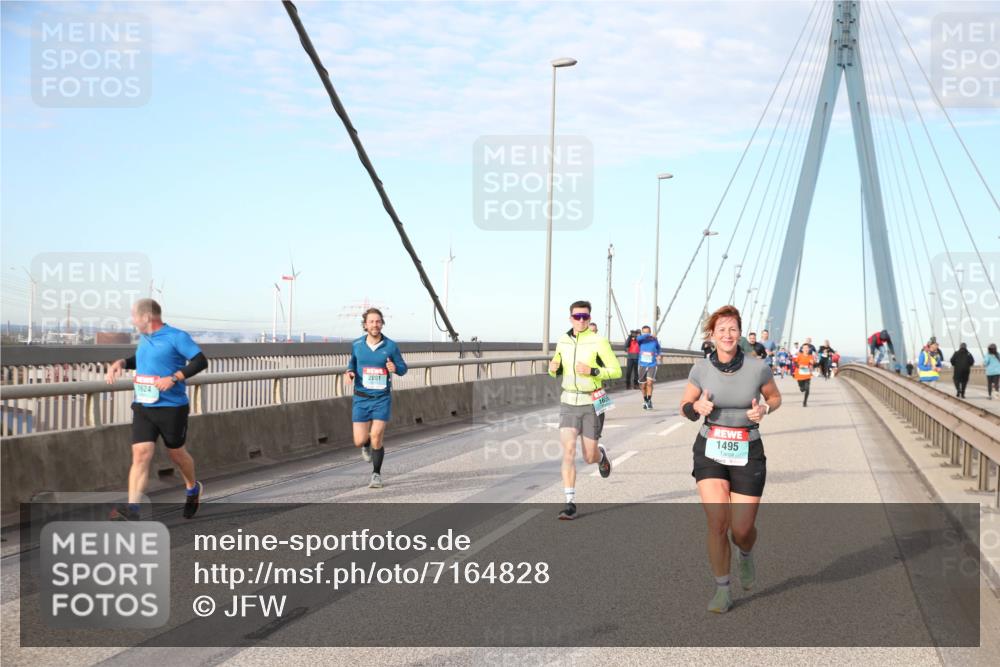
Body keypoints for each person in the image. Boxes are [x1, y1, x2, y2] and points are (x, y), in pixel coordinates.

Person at [679, 305, 781, 613]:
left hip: (748, 450)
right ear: (711, 334)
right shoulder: (700, 369)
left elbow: (775, 397)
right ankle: (722, 590)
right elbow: (684, 405)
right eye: (721, 329)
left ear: (739, 333)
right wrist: (697, 408)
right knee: (717, 523)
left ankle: (746, 555)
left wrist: (764, 409)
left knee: (741, 530)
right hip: (710, 449)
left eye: (732, 329)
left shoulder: (757, 367)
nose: (727, 334)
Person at [104, 299, 209, 520]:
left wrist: (174, 377)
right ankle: (132, 509)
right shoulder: (145, 338)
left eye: (134, 316)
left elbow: (200, 361)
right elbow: (142, 360)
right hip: (143, 405)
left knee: (177, 454)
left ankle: (192, 488)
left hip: (172, 407)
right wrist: (122, 363)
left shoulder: (176, 337)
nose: (132, 320)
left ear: (146, 318)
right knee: (141, 454)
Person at [548, 300, 621, 520]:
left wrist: (592, 370)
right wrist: (552, 369)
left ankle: (600, 457)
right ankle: (569, 503)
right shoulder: (562, 340)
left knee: (589, 456)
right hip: (568, 401)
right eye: (577, 316)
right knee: (568, 451)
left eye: (585, 317)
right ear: (570, 317)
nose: (581, 320)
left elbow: (616, 370)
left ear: (589, 318)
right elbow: (556, 367)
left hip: (592, 401)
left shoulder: (599, 341)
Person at [346, 307, 408, 489]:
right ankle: (365, 445)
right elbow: (352, 364)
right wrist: (349, 372)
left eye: (378, 321)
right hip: (361, 398)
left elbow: (404, 368)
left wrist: (395, 369)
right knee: (359, 440)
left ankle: (376, 474)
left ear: (382, 324)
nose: (375, 324)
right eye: (371, 321)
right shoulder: (357, 345)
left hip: (381, 398)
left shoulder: (390, 346)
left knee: (377, 435)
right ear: (365, 325)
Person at [636, 325, 662, 410]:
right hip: (642, 364)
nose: (646, 333)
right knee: (643, 386)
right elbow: (638, 338)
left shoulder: (654, 339)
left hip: (652, 364)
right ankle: (645, 400)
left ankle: (649, 401)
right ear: (642, 332)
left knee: (650, 383)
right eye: (645, 332)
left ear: (650, 332)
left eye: (648, 332)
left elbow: (658, 348)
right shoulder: (641, 339)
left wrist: (658, 355)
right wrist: (648, 335)